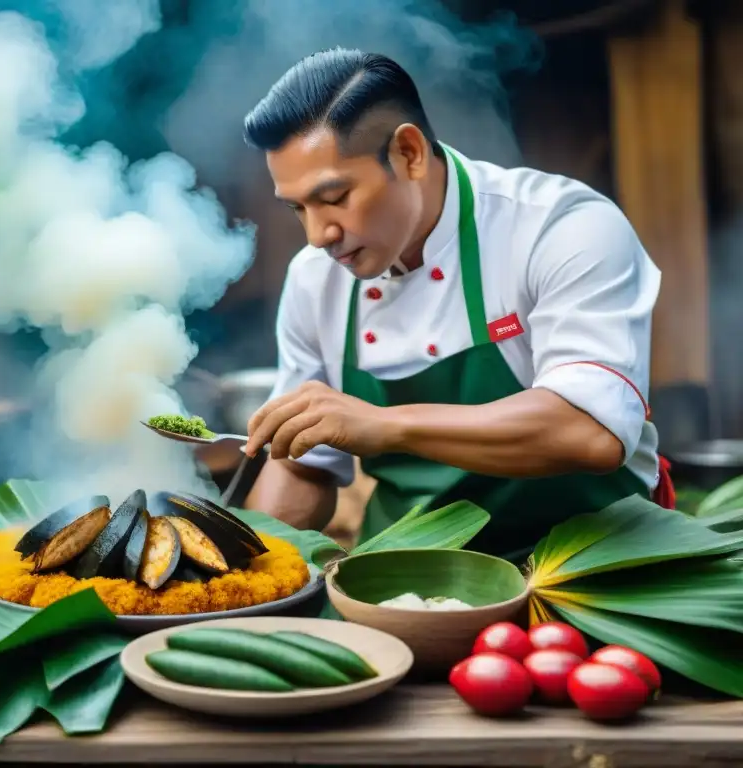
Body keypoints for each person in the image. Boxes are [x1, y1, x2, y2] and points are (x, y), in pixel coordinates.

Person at [240, 48, 673, 562]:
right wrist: (245, 574)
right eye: (297, 208)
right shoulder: (315, 281)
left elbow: (590, 430)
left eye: (334, 197)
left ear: (409, 153)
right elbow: (303, 463)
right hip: (406, 577)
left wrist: (383, 425)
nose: (318, 235)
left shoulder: (560, 228)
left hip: (596, 566)